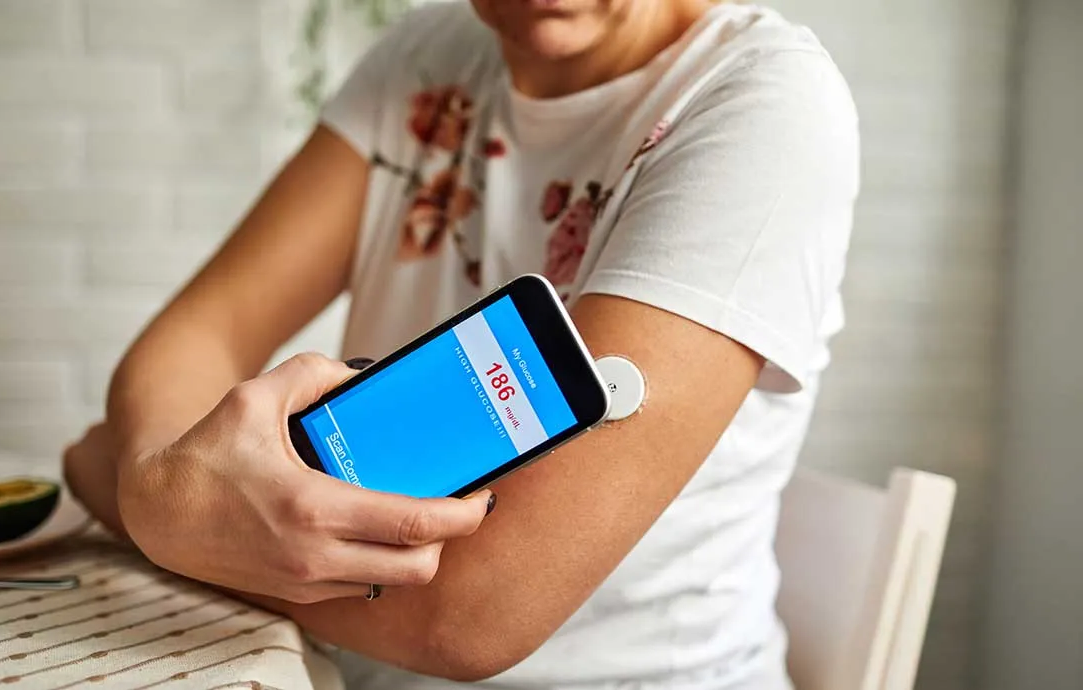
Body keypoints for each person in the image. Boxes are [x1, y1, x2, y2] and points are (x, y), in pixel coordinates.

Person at [62, 0, 859, 688]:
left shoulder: (761, 106)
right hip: (346, 666)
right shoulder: (430, 55)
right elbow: (202, 331)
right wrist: (161, 495)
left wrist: (150, 499)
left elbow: (470, 617)